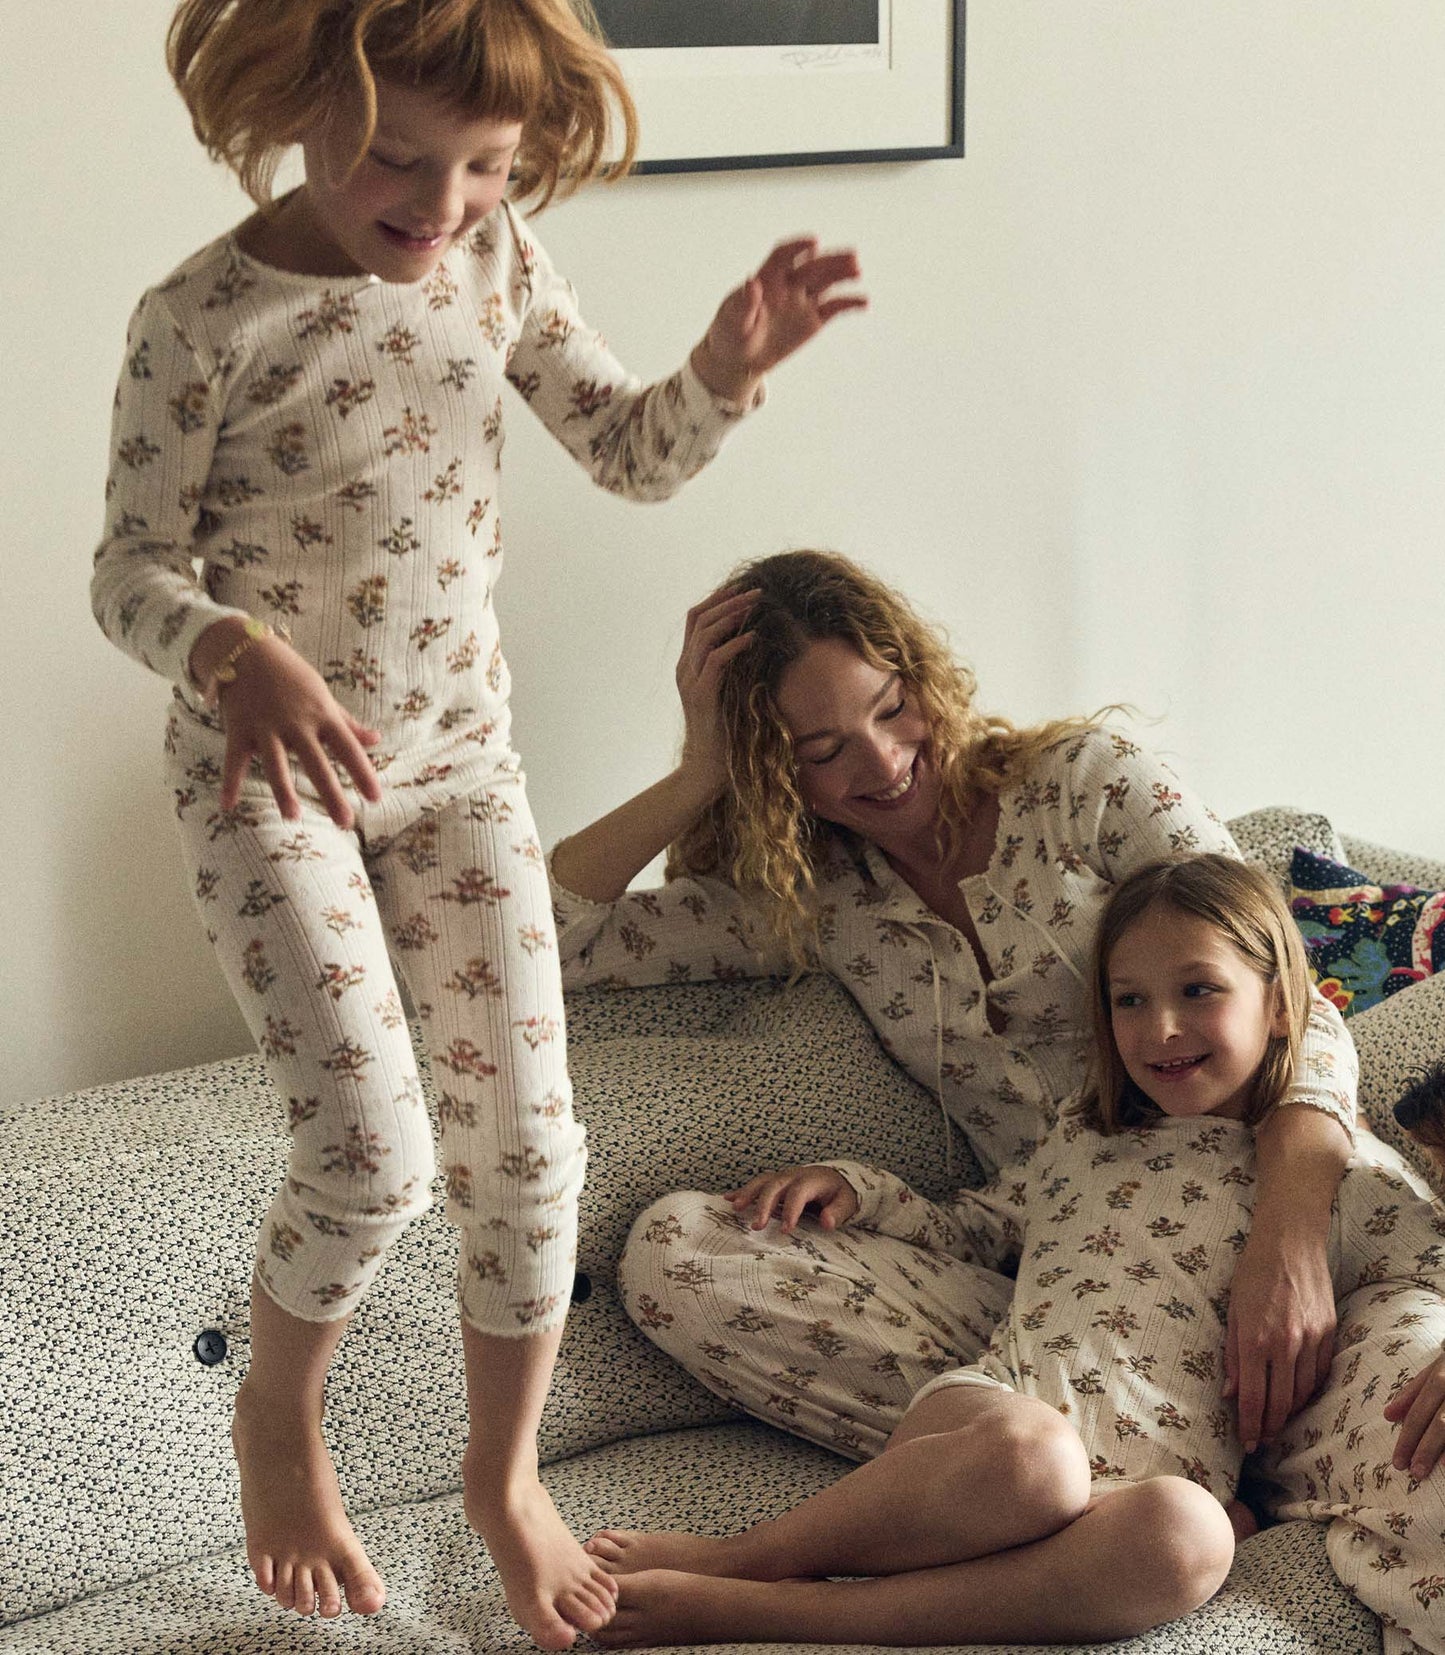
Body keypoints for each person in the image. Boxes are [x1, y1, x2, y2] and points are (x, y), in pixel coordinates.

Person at [90, 2, 865, 1642]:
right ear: (304, 106)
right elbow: (129, 576)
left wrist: (725, 371)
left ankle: (505, 1479)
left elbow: (634, 454)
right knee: (371, 1145)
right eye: (398, 158)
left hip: (458, 771)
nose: (440, 202)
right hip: (269, 779)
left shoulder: (495, 264)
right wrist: (234, 655)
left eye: (487, 167)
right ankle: (273, 1418)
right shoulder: (206, 317)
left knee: (531, 1150)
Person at [550, 549, 1358, 1467]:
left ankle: (1111, 1476)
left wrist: (1286, 1246)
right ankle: (1082, 1471)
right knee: (679, 1254)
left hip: (1236, 1217)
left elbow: (1293, 995)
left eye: (892, 707)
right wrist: (700, 767)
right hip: (1046, 1274)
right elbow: (541, 939)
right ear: (771, 768)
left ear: (923, 674)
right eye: (821, 751)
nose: (884, 761)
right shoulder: (808, 893)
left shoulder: (1090, 785)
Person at [575, 855, 1445, 1651]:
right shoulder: (1086, 1139)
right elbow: (972, 1227)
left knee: (1193, 1537)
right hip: (996, 1429)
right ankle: (745, 1561)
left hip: (1141, 1502)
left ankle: (777, 1613)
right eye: (1128, 998)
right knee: (1037, 1459)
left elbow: (1425, 1270)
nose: (1161, 1027)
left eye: (1198, 989)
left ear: (1281, 1003)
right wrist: (859, 1187)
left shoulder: (1340, 1176)